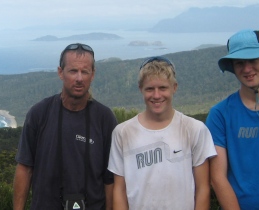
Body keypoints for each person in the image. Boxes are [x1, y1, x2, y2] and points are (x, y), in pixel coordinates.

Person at [13, 43, 118, 210]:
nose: (79, 78)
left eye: (85, 72)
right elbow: (25, 168)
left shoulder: (105, 119)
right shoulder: (39, 113)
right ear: (60, 72)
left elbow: (110, 178)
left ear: (93, 75)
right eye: (73, 71)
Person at [107, 56, 216, 209]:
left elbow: (203, 188)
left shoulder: (194, 129)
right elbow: (119, 189)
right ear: (141, 89)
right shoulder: (123, 133)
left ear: (174, 87)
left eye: (163, 88)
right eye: (149, 89)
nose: (156, 95)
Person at [206, 29, 259, 209]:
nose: (247, 69)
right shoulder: (220, 114)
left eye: (253, 60)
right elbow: (217, 177)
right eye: (239, 63)